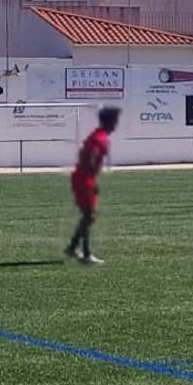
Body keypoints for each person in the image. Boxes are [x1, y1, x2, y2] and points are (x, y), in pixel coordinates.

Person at [66, 107, 121, 266]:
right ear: (110, 121)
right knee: (90, 215)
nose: (116, 124)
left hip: (82, 177)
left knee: (88, 215)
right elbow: (91, 157)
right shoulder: (100, 138)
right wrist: (91, 176)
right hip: (84, 179)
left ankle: (72, 247)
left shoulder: (96, 135)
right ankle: (86, 254)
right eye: (115, 121)